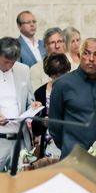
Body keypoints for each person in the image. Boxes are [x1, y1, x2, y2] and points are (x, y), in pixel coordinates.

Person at [49, 38, 96, 158]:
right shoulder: (62, 85)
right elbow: (54, 125)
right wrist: (68, 147)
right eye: (86, 53)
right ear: (79, 55)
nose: (91, 59)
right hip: (73, 157)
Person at [0, 37, 38, 171]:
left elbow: (30, 100)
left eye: (13, 62)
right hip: (0, 140)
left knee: (23, 183)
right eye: (6, 62)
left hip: (21, 140)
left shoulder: (23, 70)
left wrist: (33, 107)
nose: (9, 65)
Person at [32, 52, 71, 158]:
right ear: (50, 75)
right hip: (48, 147)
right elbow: (35, 128)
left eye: (65, 74)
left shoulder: (74, 90)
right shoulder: (40, 93)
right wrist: (43, 122)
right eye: (57, 76)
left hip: (70, 143)